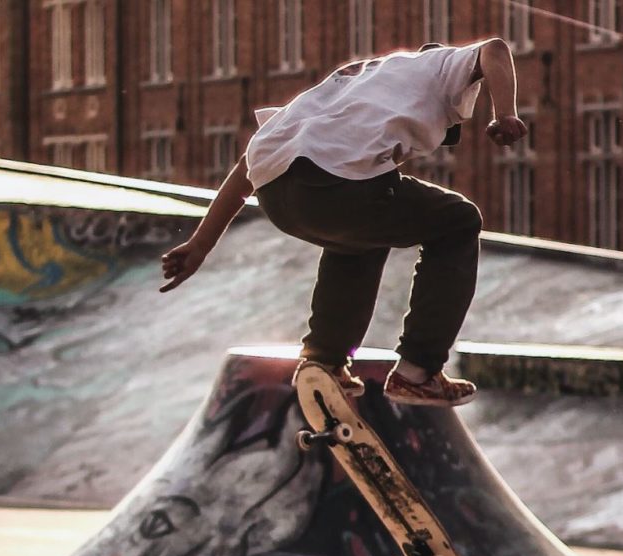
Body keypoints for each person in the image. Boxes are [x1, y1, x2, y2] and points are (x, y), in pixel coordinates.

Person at [159, 38, 527, 406]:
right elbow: (494, 50)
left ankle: (324, 360)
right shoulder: (438, 66)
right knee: (459, 220)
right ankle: (418, 371)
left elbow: (249, 165)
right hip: (336, 188)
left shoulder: (353, 83)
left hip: (280, 198)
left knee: (362, 234)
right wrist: (505, 112)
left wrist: (200, 244)